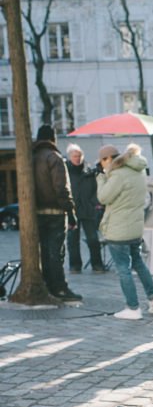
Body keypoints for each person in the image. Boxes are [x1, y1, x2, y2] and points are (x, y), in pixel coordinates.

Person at [96, 143, 153, 320]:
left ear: (109, 159)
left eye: (103, 160)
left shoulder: (118, 175)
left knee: (123, 268)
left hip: (119, 228)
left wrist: (101, 179)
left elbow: (103, 197)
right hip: (135, 227)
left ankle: (133, 308)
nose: (102, 164)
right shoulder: (139, 171)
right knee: (138, 263)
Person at [32, 124, 81, 303]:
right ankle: (59, 288)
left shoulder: (31, 156)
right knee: (56, 252)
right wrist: (71, 211)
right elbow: (61, 188)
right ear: (53, 138)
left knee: (44, 251)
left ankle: (47, 284)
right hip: (55, 212)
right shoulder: (54, 157)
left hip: (36, 213)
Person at [65, 144, 105, 273]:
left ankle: (97, 264)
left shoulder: (89, 171)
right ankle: (75, 266)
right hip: (72, 210)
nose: (77, 158)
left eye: (79, 156)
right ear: (69, 157)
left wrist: (95, 203)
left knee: (93, 238)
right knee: (72, 240)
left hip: (88, 209)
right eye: (75, 156)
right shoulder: (65, 171)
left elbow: (96, 189)